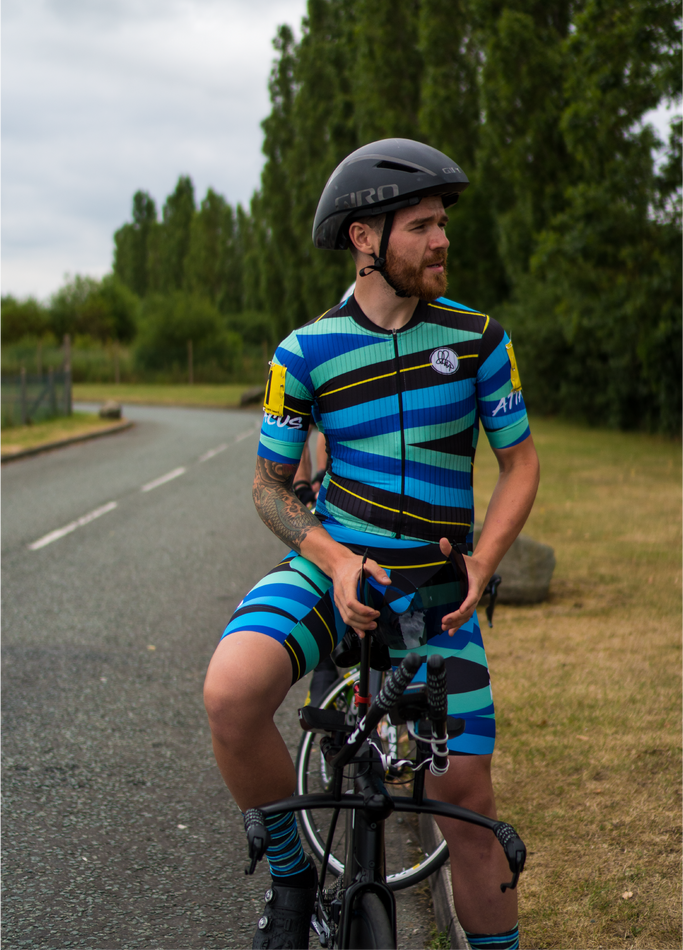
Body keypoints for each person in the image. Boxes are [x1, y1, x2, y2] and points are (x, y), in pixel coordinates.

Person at [204, 138, 540, 950]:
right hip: (332, 575)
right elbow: (268, 485)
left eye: (441, 223)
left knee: (465, 800)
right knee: (230, 692)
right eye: (421, 225)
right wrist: (334, 559)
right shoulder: (304, 351)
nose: (441, 240)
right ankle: (290, 881)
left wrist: (483, 563)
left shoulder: (480, 340)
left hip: (432, 599)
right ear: (365, 238)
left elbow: (520, 465)